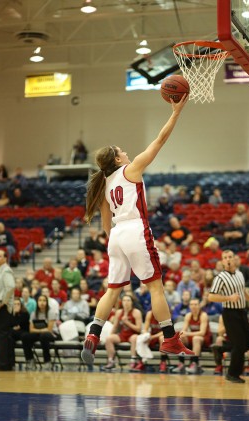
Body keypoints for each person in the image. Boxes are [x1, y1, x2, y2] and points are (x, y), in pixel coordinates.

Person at [81, 94, 193, 367]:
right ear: (118, 159)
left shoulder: (104, 184)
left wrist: (120, 245)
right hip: (135, 230)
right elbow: (160, 140)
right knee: (155, 286)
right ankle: (169, 337)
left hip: (117, 235)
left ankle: (93, 334)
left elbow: (106, 226)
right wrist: (176, 112)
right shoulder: (131, 170)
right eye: (122, 151)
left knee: (113, 290)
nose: (127, 152)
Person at [208, 249, 249, 383]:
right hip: (230, 314)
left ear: (234, 259)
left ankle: (221, 349)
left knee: (248, 343)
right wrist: (229, 298)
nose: (228, 259)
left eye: (230, 257)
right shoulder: (220, 278)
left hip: (242, 312)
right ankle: (232, 374)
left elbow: (242, 291)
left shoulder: (239, 274)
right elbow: (211, 296)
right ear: (222, 261)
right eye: (225, 257)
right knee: (239, 345)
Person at [103, 294, 143, 371]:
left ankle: (133, 360)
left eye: (128, 300)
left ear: (132, 302)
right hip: (122, 334)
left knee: (134, 338)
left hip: (133, 334)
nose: (126, 302)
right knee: (108, 339)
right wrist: (111, 334)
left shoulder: (136, 312)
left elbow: (138, 329)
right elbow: (115, 327)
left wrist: (127, 323)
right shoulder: (119, 312)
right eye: (124, 300)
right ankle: (111, 361)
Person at [172, 298, 211, 374]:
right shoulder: (188, 315)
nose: (193, 306)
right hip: (193, 337)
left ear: (199, 306)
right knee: (180, 338)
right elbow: (184, 331)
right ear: (189, 306)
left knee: (196, 338)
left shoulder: (203, 315)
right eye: (191, 304)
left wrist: (187, 334)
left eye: (195, 304)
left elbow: (202, 333)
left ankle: (194, 363)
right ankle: (181, 363)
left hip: (204, 338)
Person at [21, 295, 56, 371]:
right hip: (38, 333)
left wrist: (39, 331)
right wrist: (41, 330)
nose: (42, 302)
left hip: (50, 334)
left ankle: (47, 361)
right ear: (37, 302)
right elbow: (31, 329)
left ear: (47, 302)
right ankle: (30, 360)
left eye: (44, 300)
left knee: (44, 336)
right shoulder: (33, 313)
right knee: (25, 336)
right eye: (40, 300)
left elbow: (49, 329)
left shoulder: (51, 312)